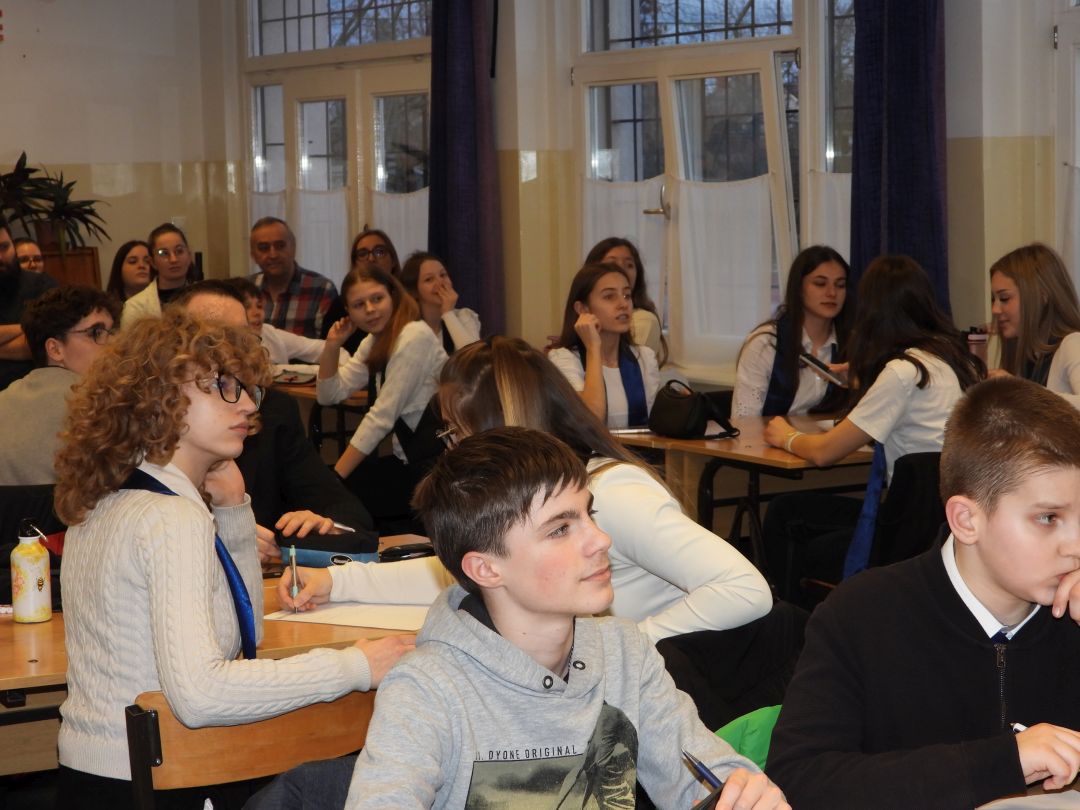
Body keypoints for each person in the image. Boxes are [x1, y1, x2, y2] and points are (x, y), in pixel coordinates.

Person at [282, 338, 791, 731]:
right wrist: (340, 582)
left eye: (456, 432)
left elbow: (744, 589)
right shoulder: (539, 501)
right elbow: (469, 568)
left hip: (718, 689)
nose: (452, 449)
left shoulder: (607, 493)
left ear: (499, 428)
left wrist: (622, 648)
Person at [52, 311, 413, 809]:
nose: (246, 404)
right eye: (223, 385)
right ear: (160, 394)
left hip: (98, 777)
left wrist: (233, 510)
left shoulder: (110, 498)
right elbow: (201, 693)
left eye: (245, 389)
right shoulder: (170, 517)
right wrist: (355, 665)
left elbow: (246, 636)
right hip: (158, 781)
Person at [335, 427, 789, 809]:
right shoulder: (426, 689)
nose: (601, 540)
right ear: (486, 569)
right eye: (560, 529)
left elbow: (704, 774)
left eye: (590, 514)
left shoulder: (625, 652)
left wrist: (745, 794)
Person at [767, 376, 1080, 809]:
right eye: (1048, 518)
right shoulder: (862, 615)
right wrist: (1002, 761)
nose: (1076, 544)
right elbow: (799, 780)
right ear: (966, 520)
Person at [761, 255, 985, 600]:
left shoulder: (903, 372)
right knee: (790, 510)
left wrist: (786, 436)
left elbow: (825, 452)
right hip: (941, 525)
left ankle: (795, 621)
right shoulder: (955, 363)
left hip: (905, 532)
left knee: (785, 516)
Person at [171, 280, 377, 558]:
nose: (233, 351)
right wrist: (219, 541)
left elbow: (347, 514)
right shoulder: (134, 441)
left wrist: (323, 527)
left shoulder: (270, 410)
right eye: (213, 337)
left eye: (244, 338)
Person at [317, 262, 446, 527]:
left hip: (439, 466)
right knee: (341, 498)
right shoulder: (376, 339)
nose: (370, 309)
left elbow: (381, 417)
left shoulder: (414, 336)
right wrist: (332, 345)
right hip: (410, 459)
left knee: (343, 502)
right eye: (359, 304)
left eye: (377, 299)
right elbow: (328, 395)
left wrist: (335, 479)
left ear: (393, 296)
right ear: (348, 312)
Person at [0, 285, 119, 485]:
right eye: (96, 332)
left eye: (112, 331)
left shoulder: (3, 400)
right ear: (55, 349)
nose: (113, 343)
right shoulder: (104, 406)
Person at [732, 245, 852, 417]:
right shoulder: (766, 343)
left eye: (840, 285)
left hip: (827, 435)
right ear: (799, 288)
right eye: (820, 284)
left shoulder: (851, 342)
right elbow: (744, 421)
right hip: (768, 434)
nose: (832, 293)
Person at [549, 262, 661, 428]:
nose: (623, 304)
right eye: (609, 297)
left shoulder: (644, 357)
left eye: (627, 295)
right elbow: (591, 422)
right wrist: (593, 348)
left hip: (637, 446)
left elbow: (654, 427)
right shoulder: (564, 359)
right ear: (582, 309)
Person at [989, 242, 1080, 408]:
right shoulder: (1026, 357)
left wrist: (1021, 390)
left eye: (1004, 298)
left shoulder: (1073, 344)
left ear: (1042, 295)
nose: (995, 309)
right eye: (993, 300)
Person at [223, 276, 347, 367]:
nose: (257, 313)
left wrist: (347, 370)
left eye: (259, 306)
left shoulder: (270, 335)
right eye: (247, 307)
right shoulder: (219, 345)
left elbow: (320, 348)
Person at [248, 217, 338, 339]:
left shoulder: (322, 289)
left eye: (280, 246)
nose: (273, 255)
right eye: (264, 248)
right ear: (253, 255)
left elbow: (329, 344)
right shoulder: (244, 289)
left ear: (293, 248)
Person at [585, 236, 668, 363]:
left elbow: (622, 370)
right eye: (612, 264)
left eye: (629, 265)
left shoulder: (643, 320)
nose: (620, 270)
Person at [321, 227, 403, 354]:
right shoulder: (340, 305)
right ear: (355, 264)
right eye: (363, 254)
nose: (371, 258)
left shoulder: (408, 299)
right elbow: (326, 350)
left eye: (379, 252)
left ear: (393, 261)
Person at [0, 219, 58, 391]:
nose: (0, 257)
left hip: (34, 391)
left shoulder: (42, 285)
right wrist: (27, 327)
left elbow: (46, 345)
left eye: (4, 247)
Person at [399, 250, 481, 353]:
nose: (440, 283)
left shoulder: (464, 316)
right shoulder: (409, 329)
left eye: (443, 275)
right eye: (429, 279)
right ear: (414, 291)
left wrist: (448, 313)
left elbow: (472, 357)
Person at [120, 222, 198, 328]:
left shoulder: (206, 296)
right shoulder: (136, 307)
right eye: (164, 253)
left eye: (179, 251)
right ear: (153, 262)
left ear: (189, 256)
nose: (173, 259)